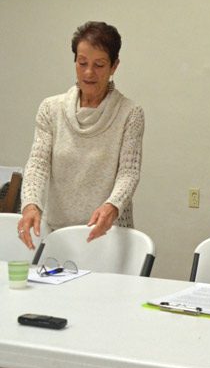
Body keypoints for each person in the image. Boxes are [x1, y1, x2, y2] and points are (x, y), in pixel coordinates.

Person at [18, 21, 145, 249]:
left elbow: (129, 172)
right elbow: (37, 164)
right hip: (59, 233)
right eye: (82, 62)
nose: (88, 72)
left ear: (114, 66)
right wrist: (30, 204)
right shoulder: (51, 108)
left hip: (108, 232)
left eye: (99, 65)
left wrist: (112, 206)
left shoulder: (130, 114)